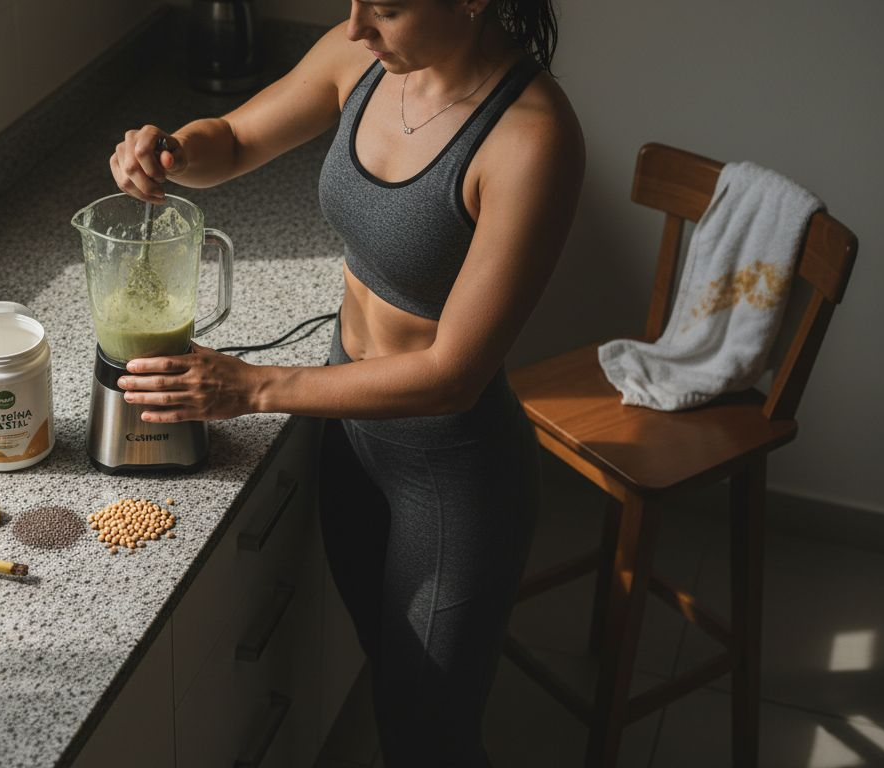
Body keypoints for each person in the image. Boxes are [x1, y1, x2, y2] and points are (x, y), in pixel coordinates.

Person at [109, 0, 583, 764]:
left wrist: (254, 388)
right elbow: (230, 141)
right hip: (351, 437)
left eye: (387, 8)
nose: (358, 25)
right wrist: (168, 150)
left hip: (451, 474)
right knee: (389, 672)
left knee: (430, 734)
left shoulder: (532, 137)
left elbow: (453, 375)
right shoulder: (360, 57)